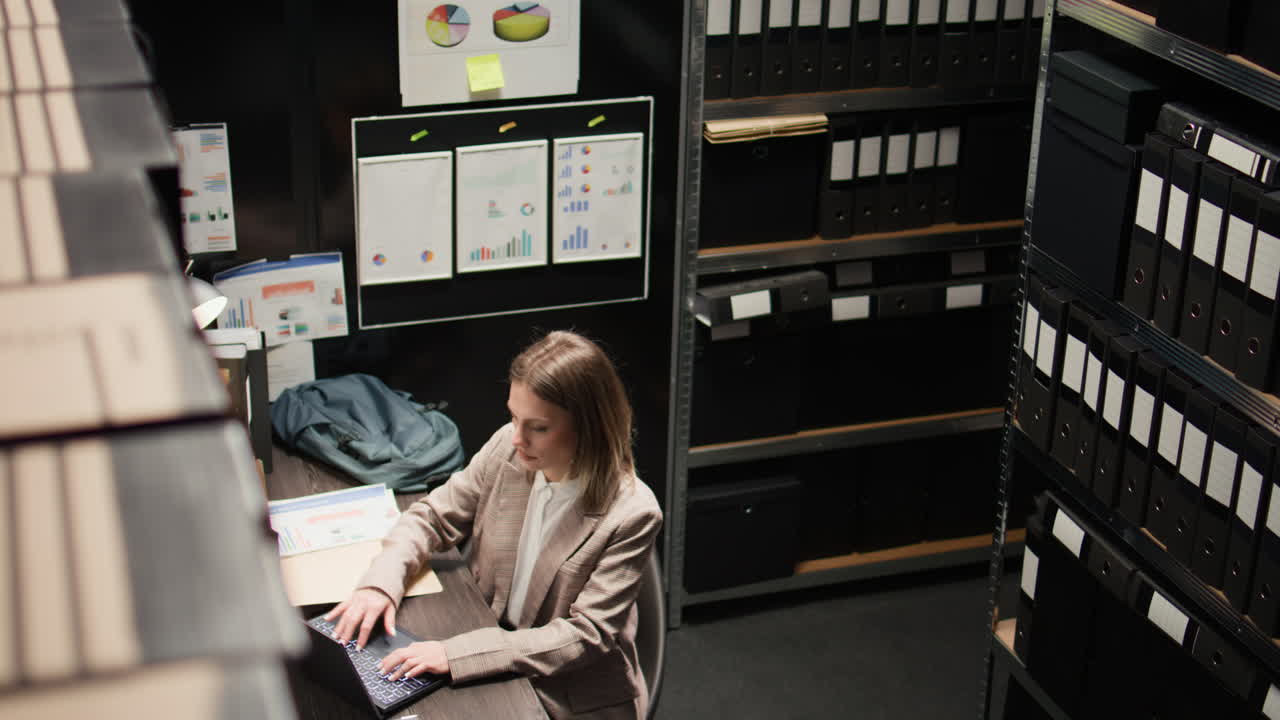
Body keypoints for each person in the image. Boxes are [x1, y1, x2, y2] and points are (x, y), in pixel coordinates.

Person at [326, 330, 664, 719]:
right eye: (513, 416)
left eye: (537, 427)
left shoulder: (632, 512)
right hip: (488, 639)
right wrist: (380, 583)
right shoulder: (509, 447)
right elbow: (431, 516)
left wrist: (457, 654)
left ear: (590, 427)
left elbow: (582, 638)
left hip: (569, 692)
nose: (517, 438)